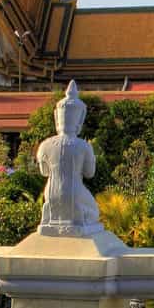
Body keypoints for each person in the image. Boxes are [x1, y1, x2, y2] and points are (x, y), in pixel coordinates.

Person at [35, 81, 102, 237]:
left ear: (57, 118)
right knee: (94, 213)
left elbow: (44, 172)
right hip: (74, 193)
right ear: (79, 121)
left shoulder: (45, 145)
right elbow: (89, 173)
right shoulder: (83, 146)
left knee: (52, 197)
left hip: (51, 194)